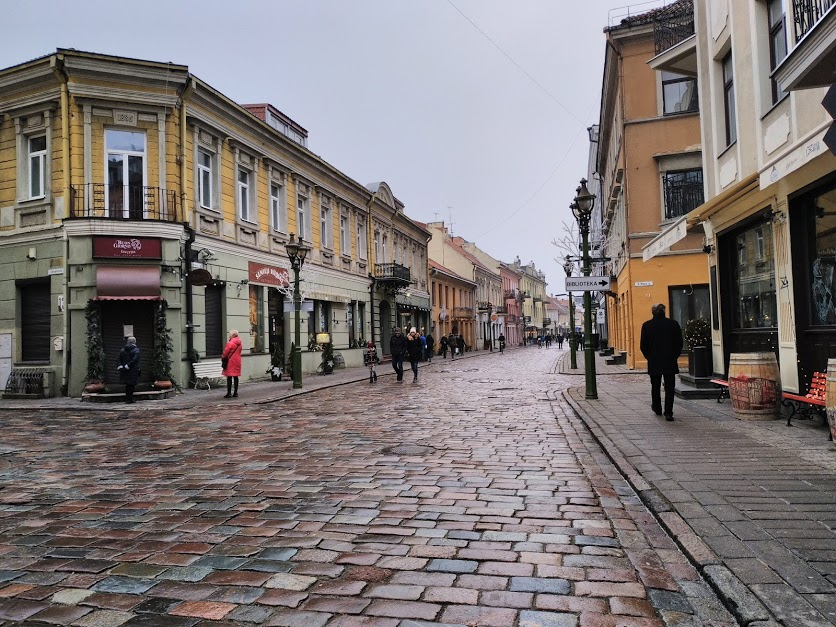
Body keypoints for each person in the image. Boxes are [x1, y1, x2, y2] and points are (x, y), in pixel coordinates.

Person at [640, 303, 683, 421]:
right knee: (670, 387)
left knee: (655, 386)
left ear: (652, 312)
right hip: (669, 360)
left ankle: (657, 408)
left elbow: (643, 346)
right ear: (664, 311)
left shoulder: (647, 326)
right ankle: (668, 412)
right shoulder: (673, 324)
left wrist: (649, 357)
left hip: (654, 361)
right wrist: (674, 356)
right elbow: (679, 343)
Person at [117, 336, 141, 404]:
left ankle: (127, 399)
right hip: (133, 370)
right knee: (132, 385)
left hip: (125, 371)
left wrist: (121, 366)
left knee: (127, 385)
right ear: (134, 342)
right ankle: (130, 399)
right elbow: (135, 360)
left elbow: (118, 359)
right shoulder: (136, 350)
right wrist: (129, 366)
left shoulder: (122, 349)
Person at [222, 329, 243, 398]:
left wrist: (223, 358)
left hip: (230, 361)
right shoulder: (239, 343)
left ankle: (229, 393)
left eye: (230, 335)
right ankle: (235, 392)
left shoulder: (231, 343)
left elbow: (225, 353)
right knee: (236, 377)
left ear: (233, 335)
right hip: (237, 361)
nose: (229, 336)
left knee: (229, 377)